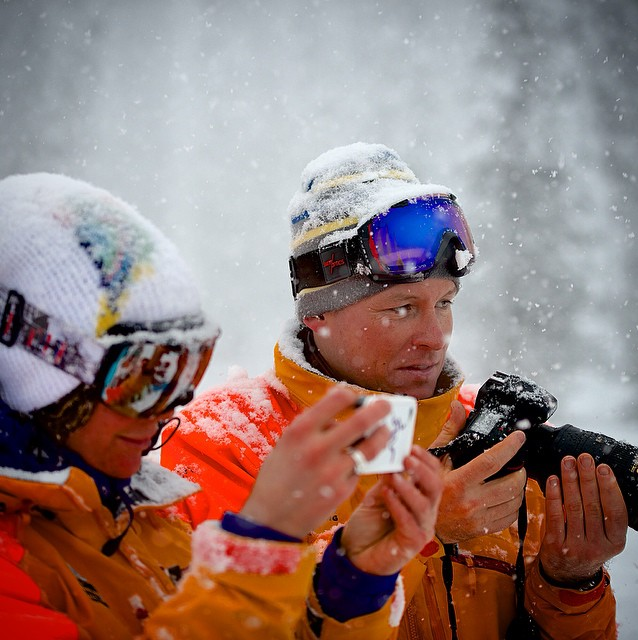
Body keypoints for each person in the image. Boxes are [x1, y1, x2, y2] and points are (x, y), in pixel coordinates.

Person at [161, 142, 629, 639]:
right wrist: (417, 535)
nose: (435, 336)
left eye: (444, 303)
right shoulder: (221, 442)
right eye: (401, 308)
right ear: (317, 312)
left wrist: (570, 584)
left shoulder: (493, 435)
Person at [0, 172, 445, 640]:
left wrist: (347, 584)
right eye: (141, 375)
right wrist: (263, 539)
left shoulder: (139, 519)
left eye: (187, 369)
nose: (165, 409)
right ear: (42, 368)